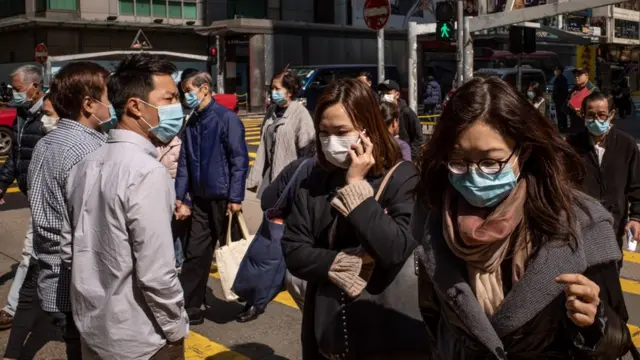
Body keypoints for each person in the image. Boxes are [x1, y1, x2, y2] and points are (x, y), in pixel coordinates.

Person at [413, 76, 634, 358]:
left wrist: (595, 320)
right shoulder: (434, 225)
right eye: (459, 161)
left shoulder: (583, 224)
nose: (473, 174)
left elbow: (618, 340)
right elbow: (433, 322)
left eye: (491, 161)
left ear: (524, 152)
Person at [281, 78, 425, 359]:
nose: (332, 141)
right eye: (324, 132)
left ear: (368, 129)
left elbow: (395, 249)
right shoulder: (314, 180)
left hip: (385, 326)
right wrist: (349, 263)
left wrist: (356, 185)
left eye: (342, 131)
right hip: (327, 322)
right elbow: (294, 250)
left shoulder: (402, 177)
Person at [64, 53, 189, 359]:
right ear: (135, 106)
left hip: (93, 328)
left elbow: (70, 249)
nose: (178, 107)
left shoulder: (84, 165)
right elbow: (157, 272)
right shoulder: (147, 172)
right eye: (170, 98)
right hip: (140, 337)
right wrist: (176, 328)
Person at [14, 62, 115, 360]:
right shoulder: (90, 151)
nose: (113, 104)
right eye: (108, 97)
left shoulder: (48, 142)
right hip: (83, 286)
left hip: (55, 278)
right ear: (88, 104)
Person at [176, 70, 249, 325]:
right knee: (196, 253)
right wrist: (182, 197)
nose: (186, 96)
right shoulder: (192, 121)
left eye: (188, 90)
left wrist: (236, 196)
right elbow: (184, 164)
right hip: (200, 200)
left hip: (224, 199)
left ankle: (251, 300)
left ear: (204, 88)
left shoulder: (225, 119)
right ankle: (191, 307)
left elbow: (239, 160)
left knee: (236, 252)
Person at [0, 65, 46, 331]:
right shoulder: (21, 114)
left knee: (30, 251)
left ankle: (12, 307)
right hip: (31, 192)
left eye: (17, 89)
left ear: (34, 87)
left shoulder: (52, 115)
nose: (13, 95)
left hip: (48, 196)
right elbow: (15, 157)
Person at [567, 92, 640, 254]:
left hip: (613, 222)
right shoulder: (572, 145)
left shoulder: (626, 144)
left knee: (611, 268)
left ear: (611, 114)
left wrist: (636, 218)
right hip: (580, 223)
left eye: (601, 115)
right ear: (583, 115)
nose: (596, 120)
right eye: (591, 115)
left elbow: (636, 185)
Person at [247, 70, 315, 198]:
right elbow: (262, 144)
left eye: (277, 88)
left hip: (290, 183)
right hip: (270, 178)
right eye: (272, 88)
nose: (273, 92)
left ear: (289, 92)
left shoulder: (300, 114)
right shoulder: (271, 111)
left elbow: (308, 154)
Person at [378, 79, 424, 159]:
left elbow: (418, 138)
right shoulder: (380, 111)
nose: (385, 96)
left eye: (388, 93)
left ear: (397, 95)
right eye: (382, 93)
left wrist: (410, 156)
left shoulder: (407, 112)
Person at [567, 67, 598, 133]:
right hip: (574, 126)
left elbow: (596, 111)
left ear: (586, 75)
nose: (576, 77)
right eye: (575, 75)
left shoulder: (593, 90)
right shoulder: (574, 90)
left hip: (588, 129)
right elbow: (565, 108)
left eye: (579, 75)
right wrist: (570, 103)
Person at [552, 65, 569, 131]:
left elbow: (563, 90)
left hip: (561, 100)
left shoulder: (563, 79)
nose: (555, 71)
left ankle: (563, 127)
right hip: (557, 100)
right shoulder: (556, 78)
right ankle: (560, 127)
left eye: (556, 70)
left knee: (562, 114)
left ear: (560, 71)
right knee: (559, 114)